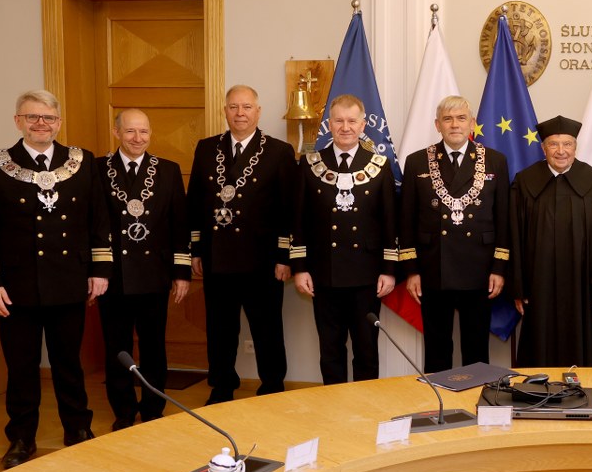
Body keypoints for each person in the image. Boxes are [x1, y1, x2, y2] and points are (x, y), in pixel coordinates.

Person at [0, 89, 112, 468]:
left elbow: (98, 219)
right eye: (32, 117)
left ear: (58, 122)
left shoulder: (81, 161)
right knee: (21, 367)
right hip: (15, 288)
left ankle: (78, 429)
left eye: (48, 117)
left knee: (69, 363)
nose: (41, 124)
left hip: (69, 281)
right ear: (18, 121)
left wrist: (99, 270)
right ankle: (21, 438)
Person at [187, 85, 296, 404]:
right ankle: (221, 386)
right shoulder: (206, 148)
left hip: (263, 260)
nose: (240, 113)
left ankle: (272, 386)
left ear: (258, 112)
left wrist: (284, 256)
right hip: (217, 257)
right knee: (220, 329)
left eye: (247, 107)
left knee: (267, 328)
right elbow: (195, 203)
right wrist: (196, 250)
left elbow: (289, 209)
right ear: (225, 111)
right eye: (233, 107)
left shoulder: (279, 151)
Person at [291, 95, 398, 384]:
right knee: (330, 351)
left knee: (366, 350)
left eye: (352, 121)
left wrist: (389, 270)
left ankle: (365, 406)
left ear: (363, 125)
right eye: (339, 121)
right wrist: (300, 268)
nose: (345, 127)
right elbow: (298, 220)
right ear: (329, 124)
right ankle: (333, 407)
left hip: (366, 276)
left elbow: (390, 221)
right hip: (324, 273)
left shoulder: (379, 165)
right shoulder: (311, 163)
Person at [399, 95, 510, 372]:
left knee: (476, 347)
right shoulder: (417, 162)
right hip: (433, 266)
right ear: (437, 125)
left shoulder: (495, 161)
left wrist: (499, 268)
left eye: (461, 118)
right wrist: (411, 270)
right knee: (437, 347)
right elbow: (407, 220)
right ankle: (439, 398)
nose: (455, 125)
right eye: (447, 119)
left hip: (480, 268)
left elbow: (503, 219)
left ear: (472, 123)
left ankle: (476, 395)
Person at [97, 109, 191, 430]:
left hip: (154, 275)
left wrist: (181, 273)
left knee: (154, 348)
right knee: (117, 348)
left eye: (144, 132)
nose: (137, 138)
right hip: (113, 277)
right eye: (130, 131)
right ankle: (123, 411)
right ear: (116, 132)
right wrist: (93, 273)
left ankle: (153, 409)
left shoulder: (168, 170)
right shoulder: (97, 169)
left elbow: (179, 225)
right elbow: (92, 225)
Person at [509, 115, 592, 367]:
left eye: (567, 144)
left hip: (584, 285)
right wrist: (518, 286)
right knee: (538, 344)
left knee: (581, 349)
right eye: (553, 144)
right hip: (538, 283)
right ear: (543, 148)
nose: (561, 151)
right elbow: (514, 234)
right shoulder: (524, 181)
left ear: (575, 147)